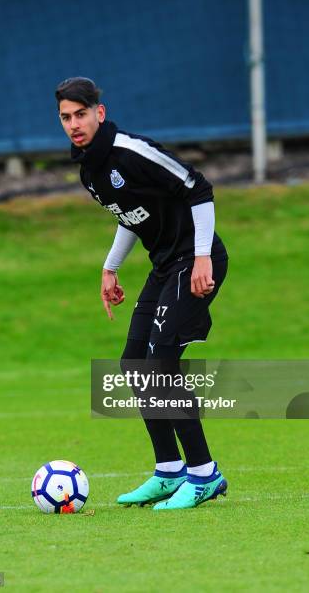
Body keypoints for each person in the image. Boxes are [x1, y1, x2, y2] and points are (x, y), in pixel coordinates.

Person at [55, 77, 229, 510]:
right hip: (165, 266)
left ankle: (204, 474)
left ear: (100, 112)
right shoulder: (89, 169)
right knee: (134, 366)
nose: (74, 124)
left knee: (162, 365)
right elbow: (131, 216)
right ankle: (169, 471)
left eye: (80, 114)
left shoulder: (132, 151)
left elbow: (199, 187)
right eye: (65, 117)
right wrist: (110, 268)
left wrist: (203, 256)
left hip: (195, 259)